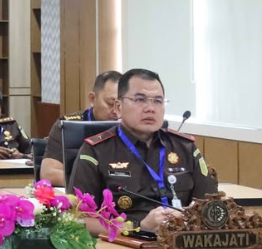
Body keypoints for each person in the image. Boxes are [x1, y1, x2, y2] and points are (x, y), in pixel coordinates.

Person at [68, 68, 218, 234]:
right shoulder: (96, 151)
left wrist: (187, 217)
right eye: (140, 100)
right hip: (124, 247)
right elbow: (77, 219)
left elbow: (211, 206)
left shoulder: (185, 148)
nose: (150, 108)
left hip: (182, 243)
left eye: (157, 101)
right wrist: (137, 226)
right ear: (118, 107)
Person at [41, 71, 122, 186]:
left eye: (121, 105)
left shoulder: (131, 127)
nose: (116, 111)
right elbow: (49, 174)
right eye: (110, 103)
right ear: (93, 98)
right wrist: (98, 181)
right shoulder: (68, 126)